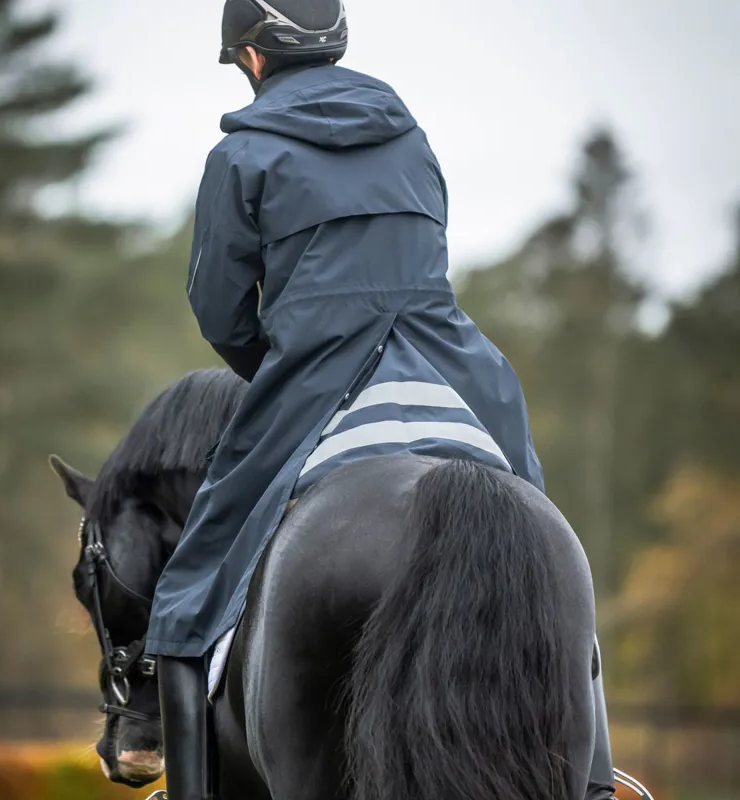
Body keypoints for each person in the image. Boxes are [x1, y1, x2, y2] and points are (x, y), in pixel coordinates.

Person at [146, 1, 614, 798]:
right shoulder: (410, 136)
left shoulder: (242, 154)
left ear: (253, 58)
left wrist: (279, 371)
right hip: (454, 357)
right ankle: (598, 778)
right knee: (538, 533)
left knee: (188, 592)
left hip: (319, 360)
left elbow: (219, 307)